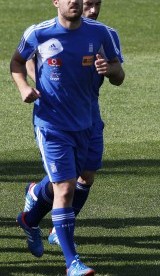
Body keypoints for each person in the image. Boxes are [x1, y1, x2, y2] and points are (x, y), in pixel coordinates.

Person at [10, 0, 125, 274]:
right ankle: (72, 262)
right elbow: (18, 61)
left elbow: (119, 75)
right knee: (65, 187)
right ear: (56, 1)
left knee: (86, 175)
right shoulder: (38, 33)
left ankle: (31, 214)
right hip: (52, 124)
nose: (77, 1)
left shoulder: (102, 34)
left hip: (88, 120)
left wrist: (110, 70)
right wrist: (25, 87)